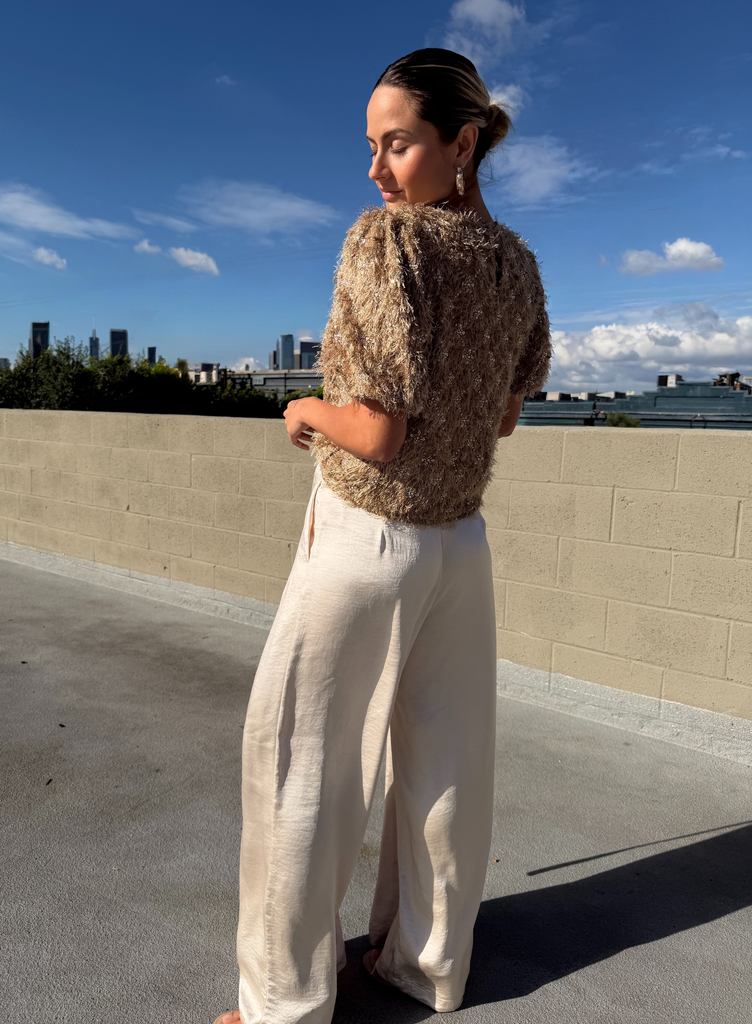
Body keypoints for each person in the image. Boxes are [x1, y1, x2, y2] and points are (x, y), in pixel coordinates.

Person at [214, 46, 552, 1024]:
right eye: (370, 147)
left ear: (463, 142)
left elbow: (378, 431)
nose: (375, 170)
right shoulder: (516, 266)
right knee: (447, 766)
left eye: (396, 144)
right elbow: (501, 419)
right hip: (461, 547)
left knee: (299, 764)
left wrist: (304, 410)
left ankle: (281, 1006)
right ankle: (426, 966)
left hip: (368, 538)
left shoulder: (385, 242)